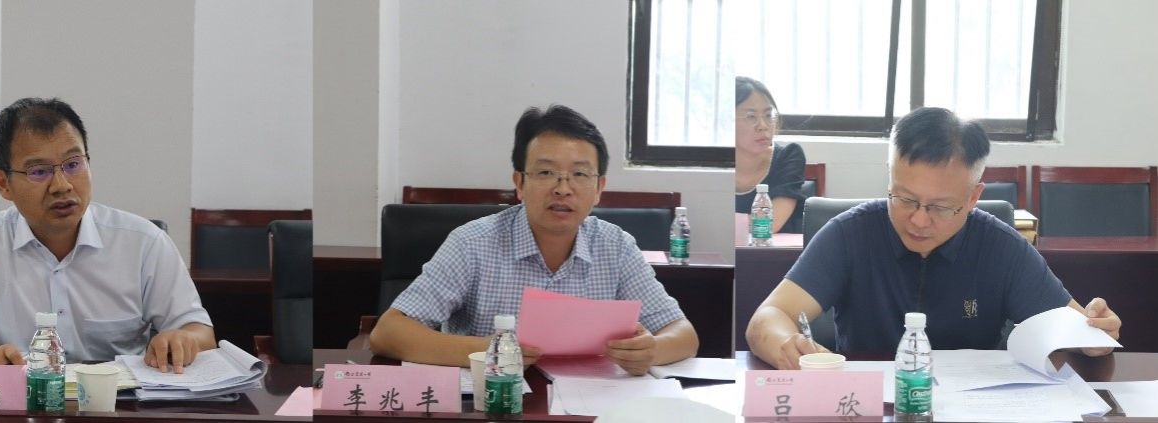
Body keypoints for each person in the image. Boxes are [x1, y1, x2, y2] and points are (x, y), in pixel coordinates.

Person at [745, 107, 1122, 370]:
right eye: (905, 198)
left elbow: (1076, 328)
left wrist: (1095, 337)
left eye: (941, 207)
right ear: (890, 175)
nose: (919, 220)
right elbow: (768, 317)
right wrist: (786, 345)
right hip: (871, 406)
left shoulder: (1001, 247)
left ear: (973, 197)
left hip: (977, 409)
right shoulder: (849, 234)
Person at [369, 105, 699, 375]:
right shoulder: (472, 243)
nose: (563, 189)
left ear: (599, 188)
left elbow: (683, 334)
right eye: (546, 173)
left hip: (592, 405)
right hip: (494, 402)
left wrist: (651, 350)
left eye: (579, 174)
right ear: (519, 183)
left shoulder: (616, 246)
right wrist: (490, 349)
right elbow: (388, 332)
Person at [0, 98, 215, 373]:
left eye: (73, 165)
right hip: (26, 396)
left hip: (119, 400)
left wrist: (182, 339)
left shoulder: (143, 242)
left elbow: (199, 331)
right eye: (39, 171)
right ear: (3, 184)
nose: (62, 185)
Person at [735, 76, 807, 234]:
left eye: (768, 115)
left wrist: (726, 223)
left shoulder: (789, 156)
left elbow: (767, 225)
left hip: (775, 250)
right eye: (751, 116)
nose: (763, 126)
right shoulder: (714, 164)